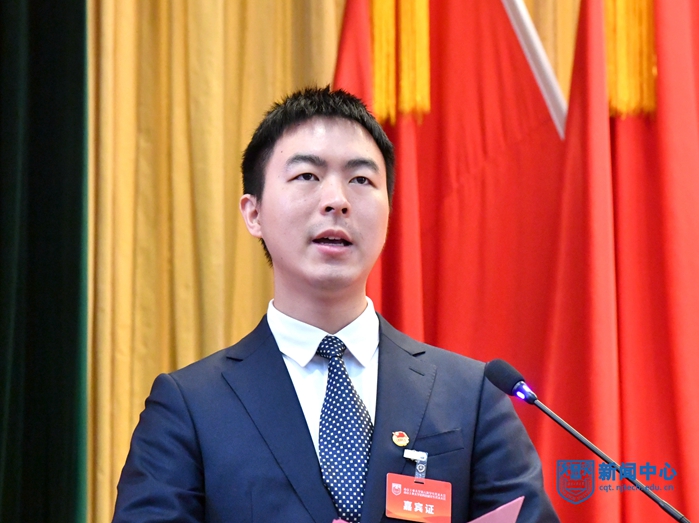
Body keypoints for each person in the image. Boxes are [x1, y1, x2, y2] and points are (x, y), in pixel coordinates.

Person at [113, 86, 559, 523]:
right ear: (254, 213)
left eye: (361, 180)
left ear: (389, 212)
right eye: (307, 176)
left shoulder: (472, 396)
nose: (337, 201)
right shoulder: (190, 408)